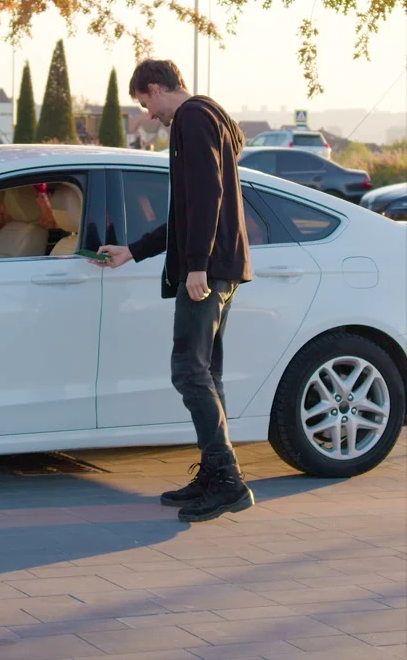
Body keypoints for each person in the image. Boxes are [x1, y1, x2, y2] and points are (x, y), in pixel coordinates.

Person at [96, 59, 254, 522]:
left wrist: (198, 265)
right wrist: (134, 250)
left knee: (188, 371)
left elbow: (207, 197)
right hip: (220, 266)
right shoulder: (210, 117)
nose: (148, 114)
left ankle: (227, 482)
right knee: (206, 373)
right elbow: (188, 208)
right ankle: (214, 473)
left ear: (154, 88)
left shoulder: (192, 118)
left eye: (144, 102)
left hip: (208, 269)